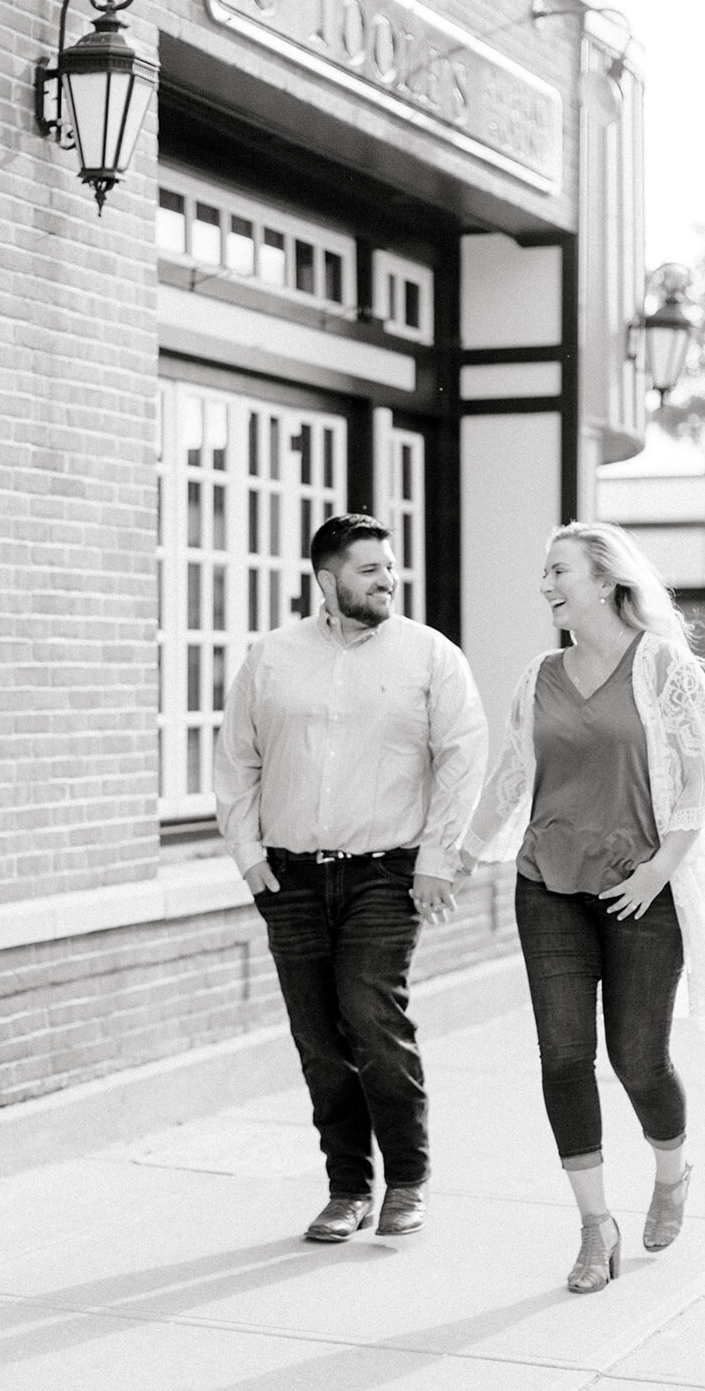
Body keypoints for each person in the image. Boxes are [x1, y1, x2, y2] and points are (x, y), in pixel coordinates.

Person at [461, 520, 705, 1294]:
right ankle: (595, 1228)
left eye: (558, 570)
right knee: (562, 1058)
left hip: (638, 894)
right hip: (546, 885)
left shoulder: (665, 669)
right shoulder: (538, 675)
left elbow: (701, 780)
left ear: (605, 578)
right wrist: (463, 853)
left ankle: (671, 1171)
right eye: (544, 572)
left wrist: (659, 869)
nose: (546, 584)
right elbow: (511, 774)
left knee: (637, 1060)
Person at [214, 513, 488, 1243]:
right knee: (317, 1037)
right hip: (291, 878)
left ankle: (406, 1180)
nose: (387, 580)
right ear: (328, 580)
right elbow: (236, 757)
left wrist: (437, 858)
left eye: (389, 567)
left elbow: (463, 756)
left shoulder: (429, 656)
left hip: (385, 875)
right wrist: (246, 854)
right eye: (370, 570)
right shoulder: (272, 657)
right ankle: (346, 1188)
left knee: (371, 1019)